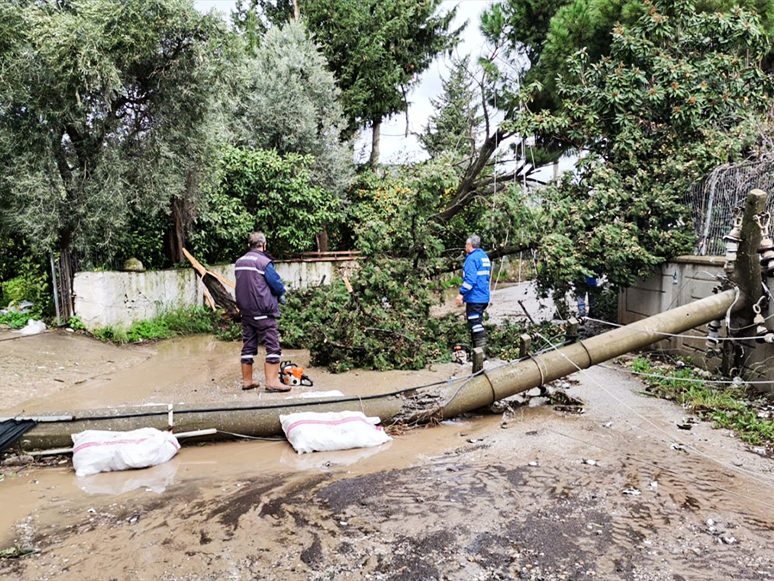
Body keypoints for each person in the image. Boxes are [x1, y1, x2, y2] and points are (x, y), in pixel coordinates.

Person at [235, 232, 289, 392]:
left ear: (248, 246)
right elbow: (277, 285)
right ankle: (272, 382)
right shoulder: (264, 262)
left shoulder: (239, 262)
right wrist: (280, 294)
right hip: (263, 311)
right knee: (273, 346)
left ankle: (247, 381)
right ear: (263, 245)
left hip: (246, 312)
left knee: (248, 345)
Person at [455, 235, 491, 354]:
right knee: (474, 323)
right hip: (483, 297)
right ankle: (476, 354)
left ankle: (481, 356)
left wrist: (461, 294)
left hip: (475, 297)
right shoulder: (484, 256)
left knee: (475, 324)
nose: (465, 247)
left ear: (469, 245)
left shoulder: (471, 259)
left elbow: (470, 280)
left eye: (466, 245)